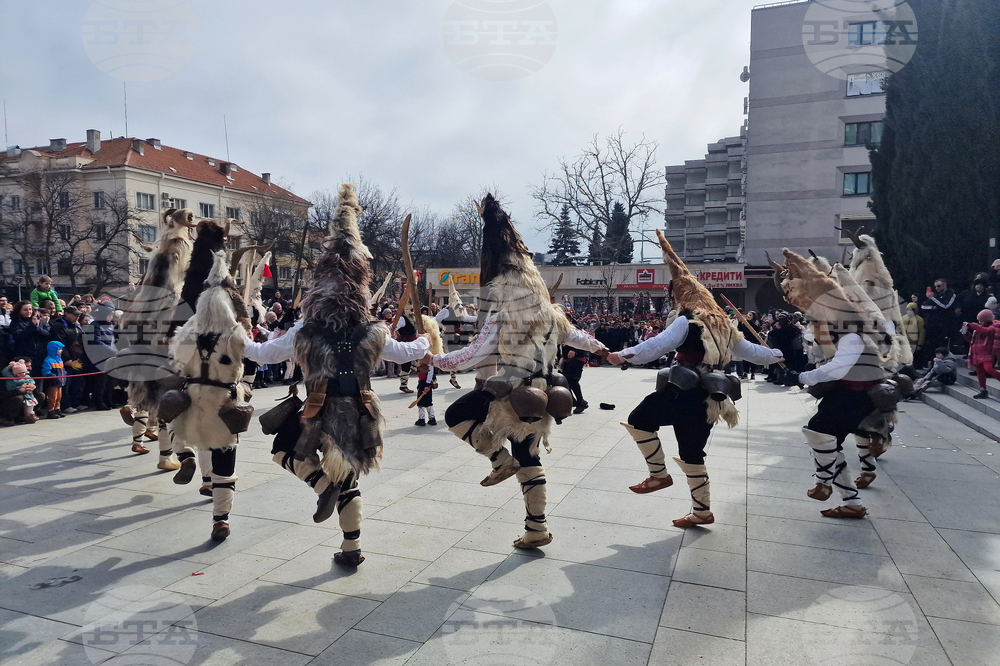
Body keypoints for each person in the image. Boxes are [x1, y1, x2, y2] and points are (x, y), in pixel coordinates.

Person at [244, 183, 431, 566]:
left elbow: (262, 354)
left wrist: (233, 338)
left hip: (317, 412)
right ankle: (351, 548)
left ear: (320, 287)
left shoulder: (303, 332)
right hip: (361, 411)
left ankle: (320, 483)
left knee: (282, 452)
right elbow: (409, 352)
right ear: (360, 289)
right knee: (351, 481)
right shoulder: (374, 331)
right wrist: (426, 341)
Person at [433, 194, 607, 550]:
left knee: (455, 413)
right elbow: (580, 338)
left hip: (510, 390)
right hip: (545, 391)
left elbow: (472, 353)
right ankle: (536, 529)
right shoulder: (552, 315)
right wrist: (606, 350)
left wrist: (435, 360)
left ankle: (499, 460)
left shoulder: (503, 314)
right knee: (531, 458)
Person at [608, 231, 783, 527]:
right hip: (712, 397)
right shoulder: (724, 325)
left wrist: (622, 355)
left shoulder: (685, 321)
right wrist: (776, 354)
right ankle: (702, 511)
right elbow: (754, 352)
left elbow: (655, 346)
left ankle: (658, 476)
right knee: (692, 451)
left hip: (682, 392)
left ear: (680, 297)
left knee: (639, 419)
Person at [780, 249, 894, 518]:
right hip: (847, 396)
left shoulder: (853, 334)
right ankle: (852, 503)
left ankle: (824, 482)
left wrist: (801, 377)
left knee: (817, 433)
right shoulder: (845, 331)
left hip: (855, 398)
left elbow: (838, 368)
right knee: (831, 444)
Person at [961, 310, 1000, 399]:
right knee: (980, 372)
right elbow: (971, 339)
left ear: (987, 320)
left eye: (982, 320)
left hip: (987, 352)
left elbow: (985, 331)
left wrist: (972, 325)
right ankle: (983, 390)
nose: (980, 322)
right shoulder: (978, 328)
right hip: (977, 352)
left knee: (989, 369)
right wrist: (965, 333)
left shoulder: (993, 327)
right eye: (979, 320)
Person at [921, 278, 958, 353]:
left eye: (938, 286)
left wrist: (933, 299)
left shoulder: (950, 294)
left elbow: (945, 306)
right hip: (932, 324)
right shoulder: (936, 295)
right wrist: (934, 305)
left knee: (942, 346)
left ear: (944, 285)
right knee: (931, 345)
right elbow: (923, 306)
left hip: (945, 324)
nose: (936, 288)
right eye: (935, 286)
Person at [1, 360, 39, 424]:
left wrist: (32, 387)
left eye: (23, 372)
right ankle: (9, 418)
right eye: (27, 366)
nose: (30, 368)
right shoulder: (9, 379)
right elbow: (5, 393)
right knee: (19, 398)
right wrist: (19, 390)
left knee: (40, 396)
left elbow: (32, 381)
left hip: (28, 395)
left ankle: (28, 415)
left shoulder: (27, 376)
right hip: (9, 400)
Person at [41, 340, 67, 419]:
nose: (61, 351)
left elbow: (63, 369)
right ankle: (51, 411)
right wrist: (53, 376)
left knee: (59, 397)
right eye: (59, 349)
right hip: (53, 382)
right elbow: (45, 371)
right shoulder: (48, 360)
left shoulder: (60, 360)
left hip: (60, 381)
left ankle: (57, 409)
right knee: (53, 397)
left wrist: (65, 374)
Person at [901, 302, 926, 368]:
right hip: (905, 341)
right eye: (908, 310)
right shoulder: (903, 318)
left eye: (911, 310)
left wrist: (920, 344)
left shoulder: (919, 320)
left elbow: (922, 332)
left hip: (914, 342)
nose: (909, 311)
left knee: (914, 356)